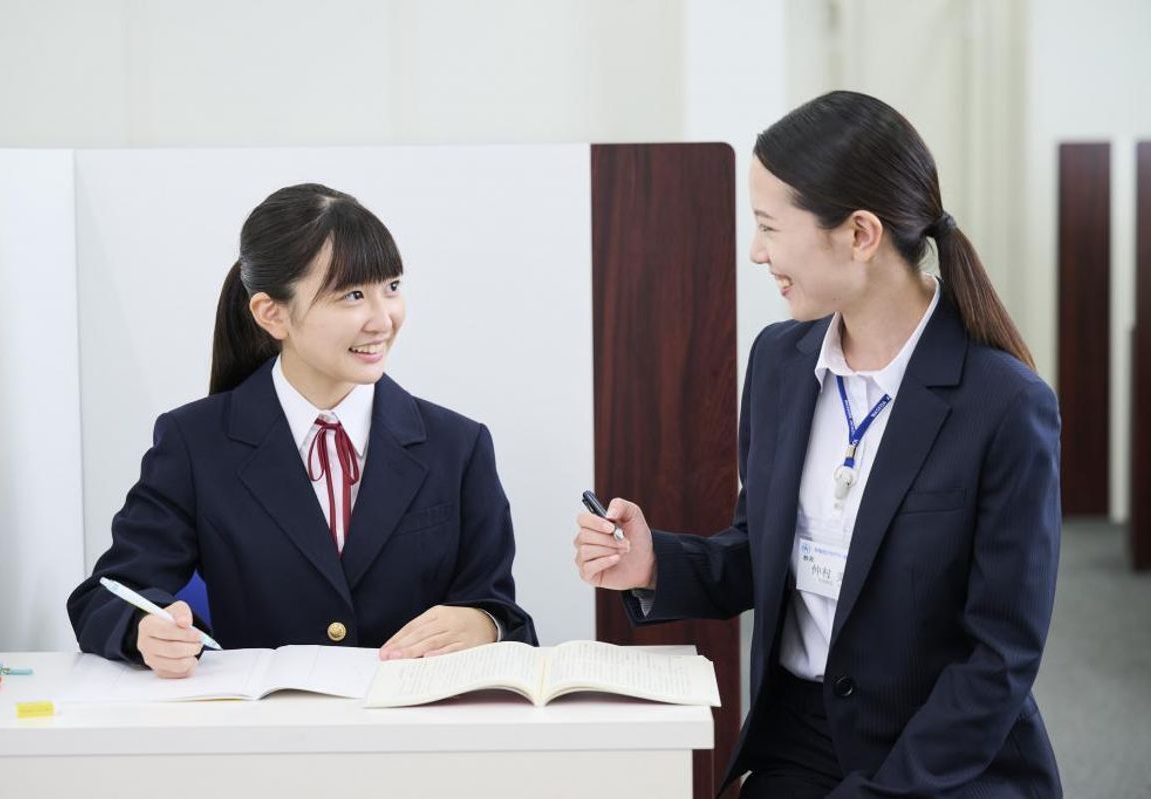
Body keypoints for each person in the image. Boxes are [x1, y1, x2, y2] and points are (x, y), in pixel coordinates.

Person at [573, 91, 1061, 798]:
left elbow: (999, 660)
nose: (755, 250)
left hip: (943, 758)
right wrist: (656, 563)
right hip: (800, 740)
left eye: (770, 225)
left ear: (860, 233)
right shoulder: (780, 361)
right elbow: (764, 551)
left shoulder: (1006, 405)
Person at [69, 183, 536, 678]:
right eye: (353, 295)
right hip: (263, 734)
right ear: (273, 314)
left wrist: (484, 624)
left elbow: (506, 616)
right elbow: (106, 595)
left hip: (412, 735)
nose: (383, 319)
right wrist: (144, 628)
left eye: (392, 288)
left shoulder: (458, 446)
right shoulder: (195, 442)